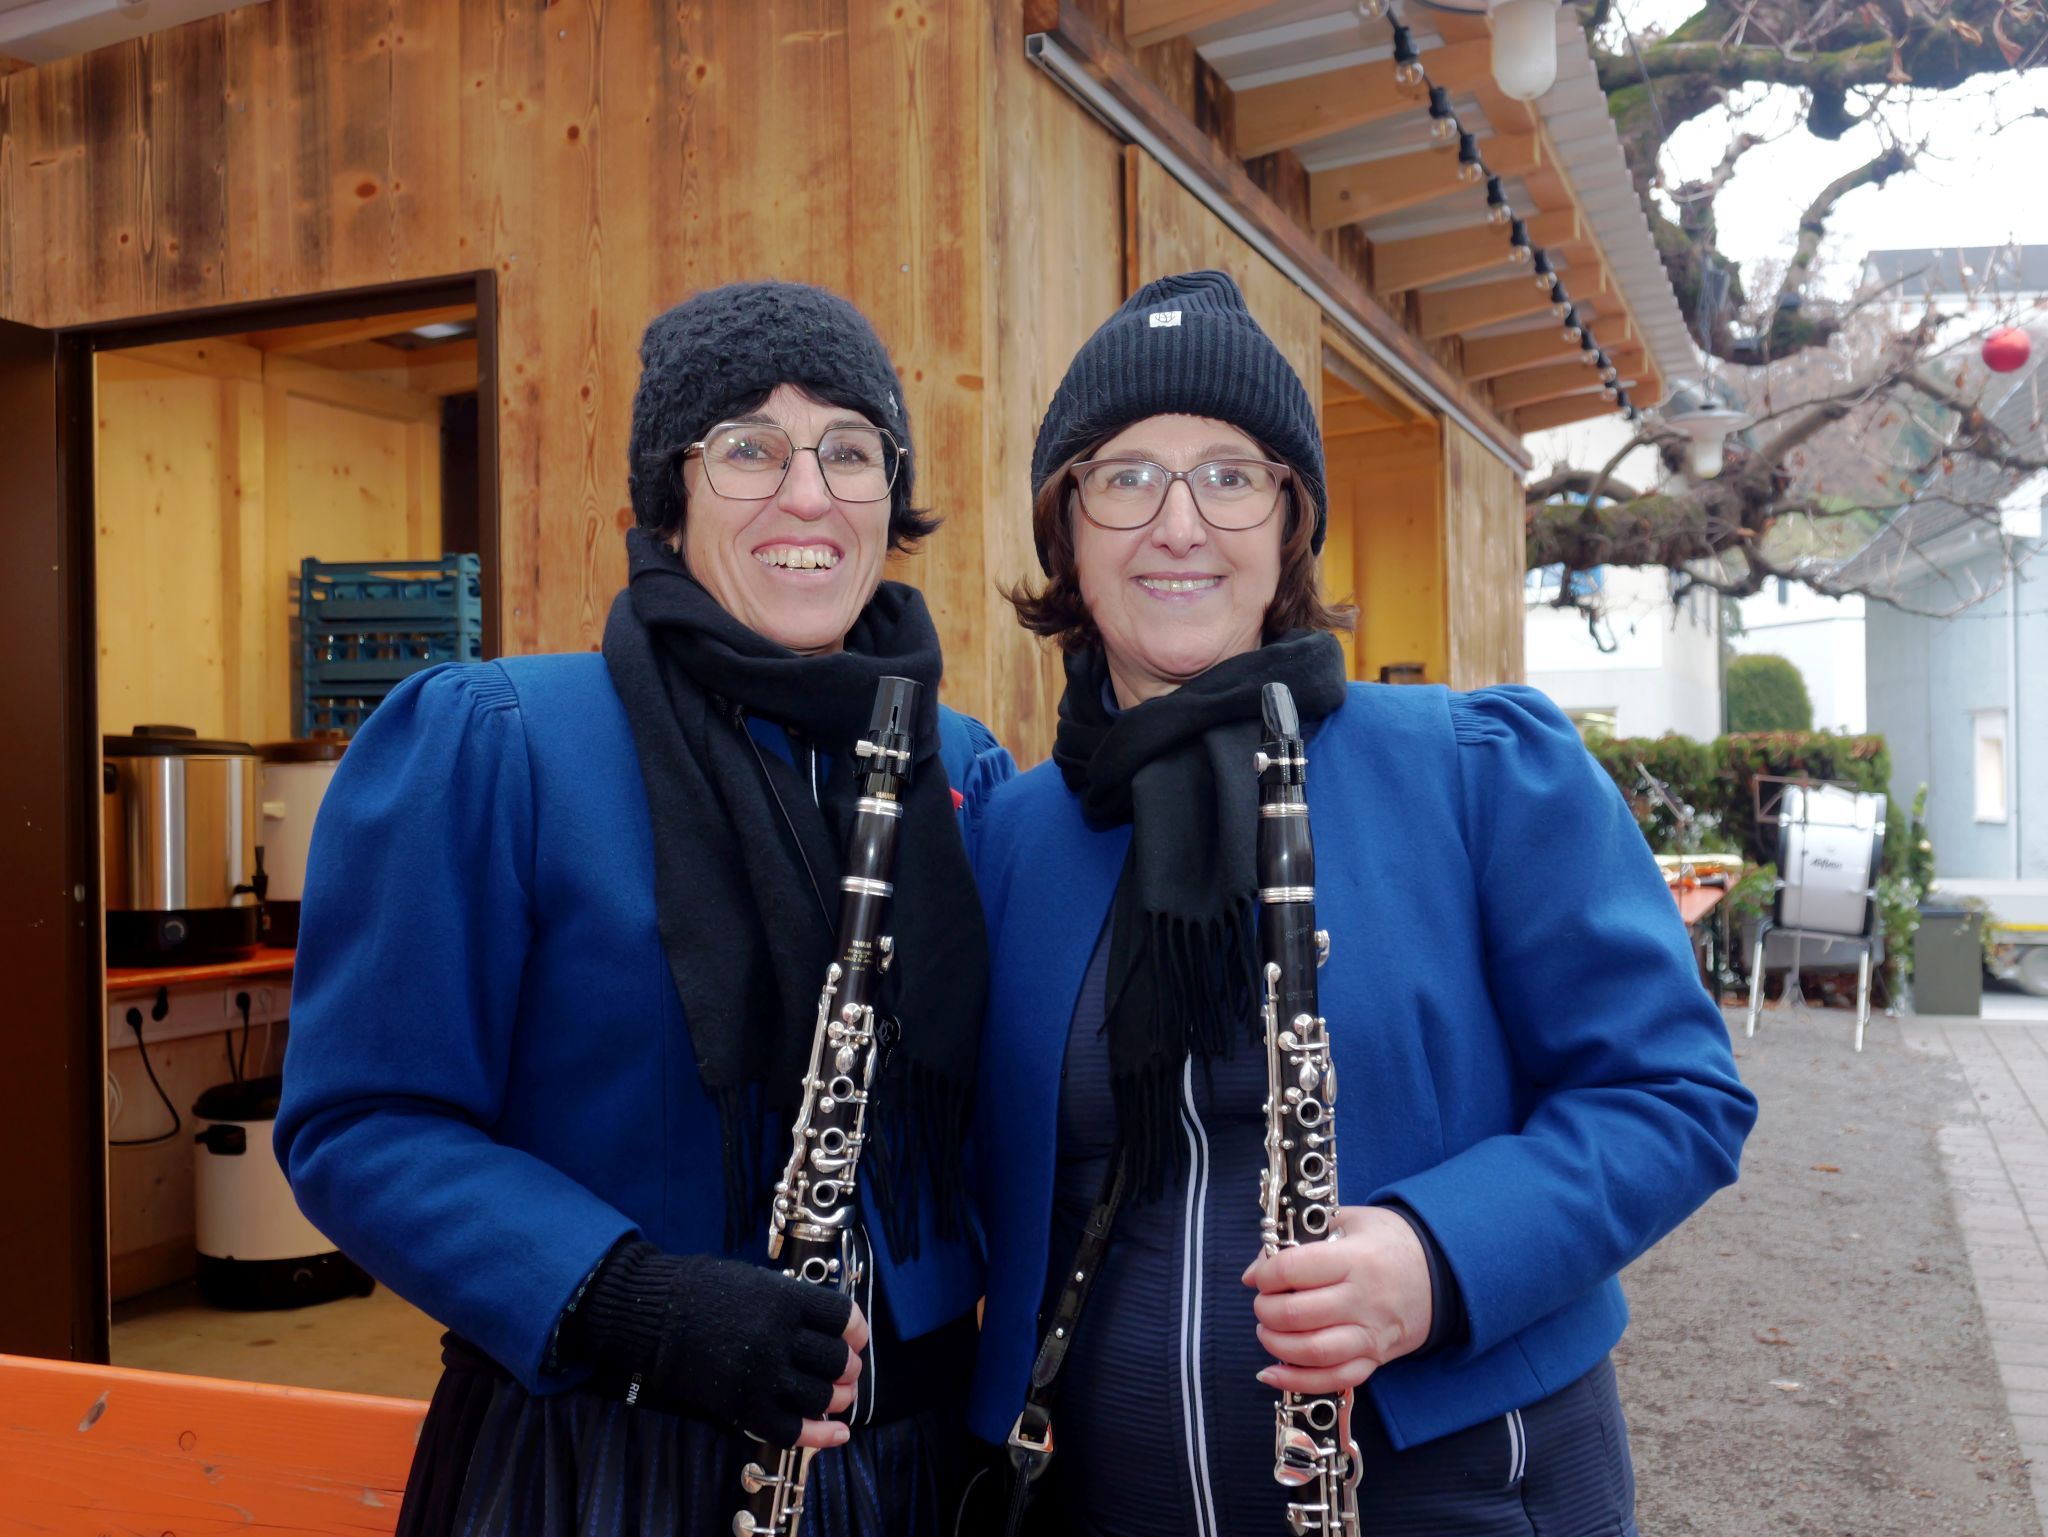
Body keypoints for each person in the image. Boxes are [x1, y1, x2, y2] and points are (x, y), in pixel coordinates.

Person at [965, 270, 1757, 1535]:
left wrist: (1434, 1258)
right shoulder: (1013, 833)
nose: (1178, 524)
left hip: (1459, 1494)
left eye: (1229, 476)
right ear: (1065, 530)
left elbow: (1674, 1097)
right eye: (1124, 477)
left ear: (1289, 524)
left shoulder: (1478, 766)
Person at [275, 280, 1012, 1537]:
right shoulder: (497, 741)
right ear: (666, 497)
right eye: (747, 448)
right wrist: (632, 1304)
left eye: (849, 450)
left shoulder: (964, 765)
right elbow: (361, 1124)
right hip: (599, 1461)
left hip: (915, 1475)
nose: (806, 493)